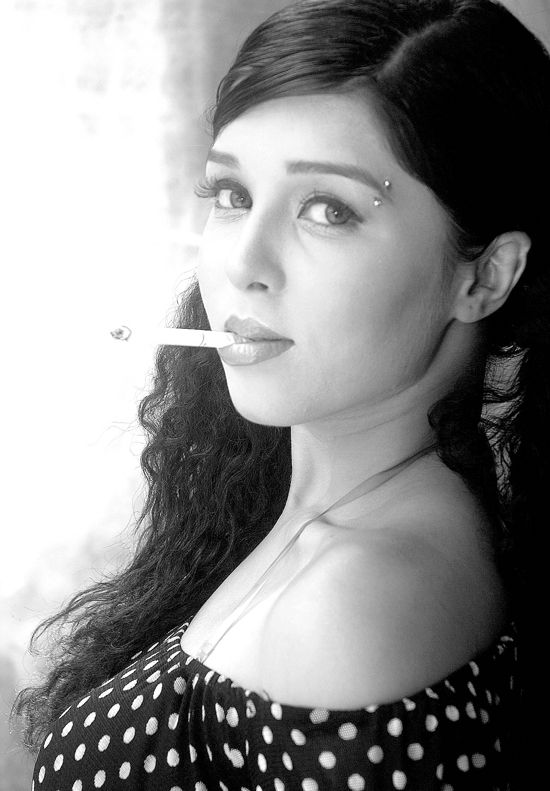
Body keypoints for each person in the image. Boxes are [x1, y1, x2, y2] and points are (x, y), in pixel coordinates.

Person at [13, 0, 549, 788]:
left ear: (486, 277)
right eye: (232, 195)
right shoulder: (326, 518)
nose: (244, 262)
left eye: (327, 210)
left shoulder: (356, 603)